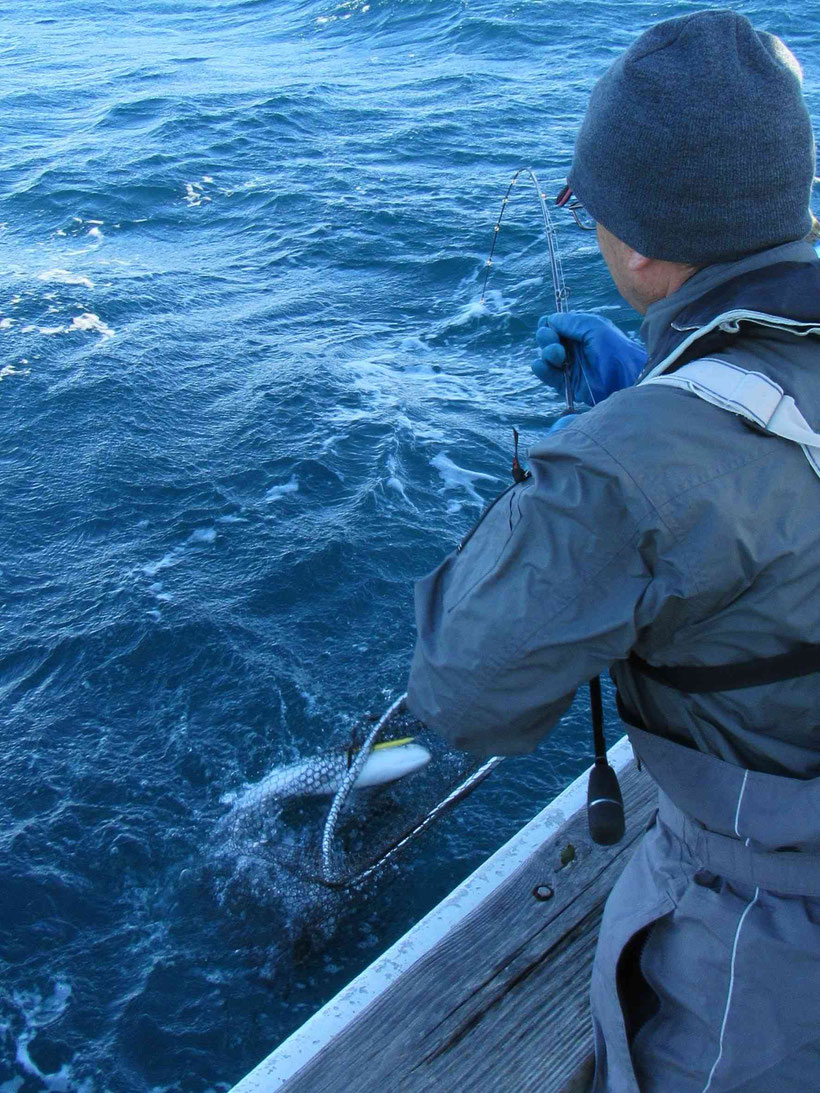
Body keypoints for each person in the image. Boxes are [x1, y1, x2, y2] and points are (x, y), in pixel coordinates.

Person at [406, 9, 820, 1092]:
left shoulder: (622, 474)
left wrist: (594, 466)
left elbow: (463, 694)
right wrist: (661, 384)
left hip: (779, 946)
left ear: (635, 246)